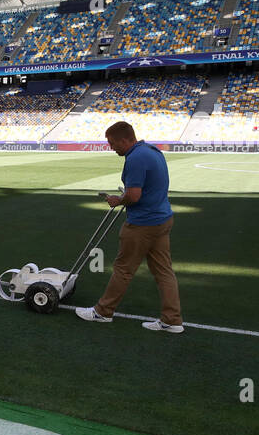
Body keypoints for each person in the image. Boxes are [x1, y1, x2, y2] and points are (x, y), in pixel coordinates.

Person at [75, 121, 183, 333]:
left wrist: (118, 200)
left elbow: (134, 195)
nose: (111, 147)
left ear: (125, 139)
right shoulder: (152, 151)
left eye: (112, 143)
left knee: (123, 269)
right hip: (162, 219)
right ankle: (172, 320)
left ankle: (103, 312)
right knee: (164, 271)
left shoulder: (136, 158)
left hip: (143, 224)